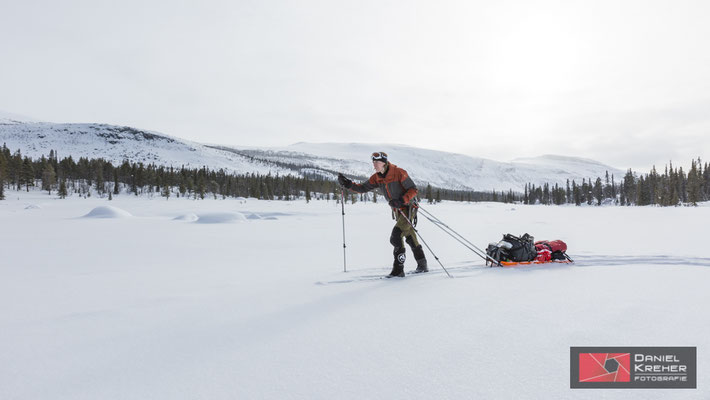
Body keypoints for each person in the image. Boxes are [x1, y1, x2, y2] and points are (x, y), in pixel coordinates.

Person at [338, 151, 428, 278]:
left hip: (408, 208)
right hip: (397, 210)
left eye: (377, 162)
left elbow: (414, 189)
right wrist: (348, 184)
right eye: (373, 162)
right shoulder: (377, 177)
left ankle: (398, 270)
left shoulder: (399, 173)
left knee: (396, 236)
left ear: (384, 163)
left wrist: (402, 200)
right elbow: (363, 188)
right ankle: (422, 264)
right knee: (409, 235)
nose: (374, 164)